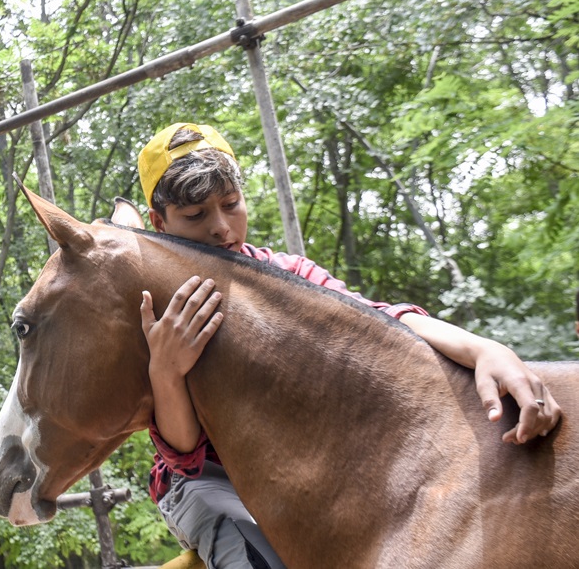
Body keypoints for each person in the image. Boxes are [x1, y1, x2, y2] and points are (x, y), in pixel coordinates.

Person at [132, 122, 561, 569]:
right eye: (197, 215)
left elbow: (380, 321)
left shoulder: (288, 275)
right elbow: (185, 455)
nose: (222, 228)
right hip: (209, 481)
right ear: (160, 223)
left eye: (231, 204)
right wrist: (165, 370)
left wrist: (483, 350)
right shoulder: (159, 312)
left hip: (307, 465)